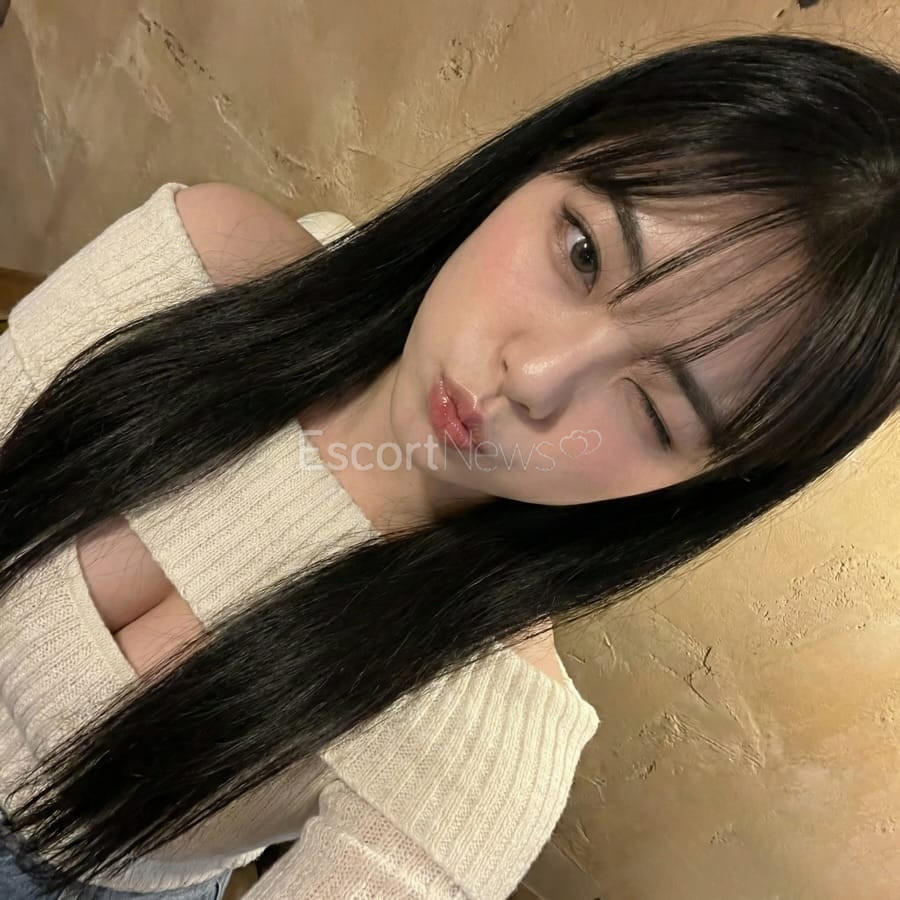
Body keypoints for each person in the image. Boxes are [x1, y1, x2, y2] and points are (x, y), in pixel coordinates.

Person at [0, 31, 897, 899]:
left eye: (657, 408)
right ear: (543, 159)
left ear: (698, 486)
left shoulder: (482, 751)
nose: (533, 378)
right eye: (583, 252)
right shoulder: (204, 262)